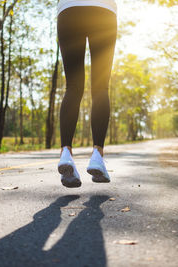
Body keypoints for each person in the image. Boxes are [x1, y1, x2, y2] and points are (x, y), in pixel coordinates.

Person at [56, 0, 118, 188]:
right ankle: (97, 156)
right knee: (100, 87)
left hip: (69, 10)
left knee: (73, 87)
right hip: (103, 10)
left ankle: (66, 153)